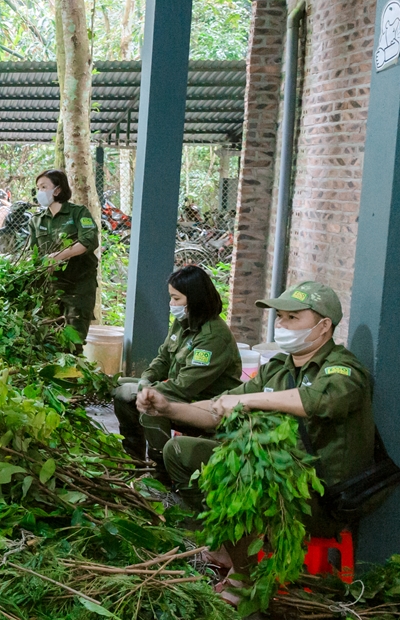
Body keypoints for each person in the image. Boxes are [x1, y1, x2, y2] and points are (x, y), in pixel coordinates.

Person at [138, 280, 375, 551]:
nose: (282, 325)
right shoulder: (276, 368)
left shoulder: (343, 370)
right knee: (179, 450)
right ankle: (222, 541)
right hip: (268, 474)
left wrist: (246, 401)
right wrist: (168, 408)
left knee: (244, 477)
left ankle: (243, 573)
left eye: (293, 317)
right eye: (281, 317)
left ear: (324, 327)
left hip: (315, 497)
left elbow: (319, 401)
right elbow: (219, 409)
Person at [114, 266, 242, 464]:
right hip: (180, 392)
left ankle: (160, 466)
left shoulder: (213, 337)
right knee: (120, 387)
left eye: (176, 299)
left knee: (150, 404)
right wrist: (146, 379)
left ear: (194, 300)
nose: (171, 304)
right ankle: (133, 458)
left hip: (203, 405)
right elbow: (163, 357)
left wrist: (145, 391)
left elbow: (185, 386)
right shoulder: (183, 322)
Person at [27, 169, 99, 342]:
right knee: (49, 338)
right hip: (52, 286)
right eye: (38, 188)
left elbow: (89, 240)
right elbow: (34, 254)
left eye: (44, 187)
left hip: (79, 285)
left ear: (57, 190)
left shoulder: (78, 213)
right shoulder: (36, 220)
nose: (40, 192)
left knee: (74, 339)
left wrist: (58, 256)